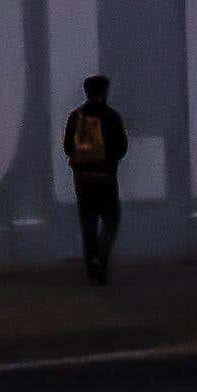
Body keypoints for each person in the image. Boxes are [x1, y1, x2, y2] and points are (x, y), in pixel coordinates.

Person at [61, 74, 129, 285]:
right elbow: (121, 147)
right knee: (111, 220)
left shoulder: (76, 116)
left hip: (82, 180)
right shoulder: (111, 116)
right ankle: (101, 257)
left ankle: (92, 266)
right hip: (106, 178)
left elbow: (67, 147)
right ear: (104, 92)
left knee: (88, 223)